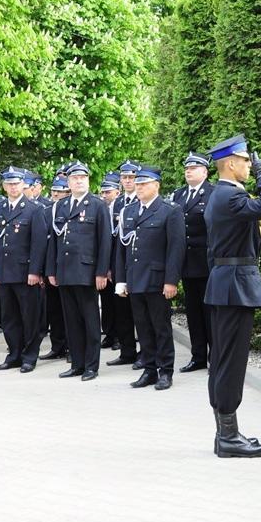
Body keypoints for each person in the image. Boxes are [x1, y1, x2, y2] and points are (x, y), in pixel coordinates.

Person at [204, 134, 261, 459]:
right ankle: (228, 436)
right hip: (235, 286)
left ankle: (226, 433)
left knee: (223, 359)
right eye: (247, 161)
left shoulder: (221, 195)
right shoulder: (230, 196)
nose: (250, 165)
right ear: (231, 163)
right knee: (231, 362)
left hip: (227, 283)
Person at [114, 166, 185, 390]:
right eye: (138, 184)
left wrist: (171, 280)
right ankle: (149, 369)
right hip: (135, 278)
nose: (139, 187)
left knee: (160, 328)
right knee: (143, 327)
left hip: (157, 279)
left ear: (157, 185)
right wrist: (121, 279)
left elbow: (176, 249)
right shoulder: (130, 210)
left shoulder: (169, 210)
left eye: (144, 184)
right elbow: (122, 248)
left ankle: (165, 371)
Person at [47, 161, 112, 381]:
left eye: (83, 178)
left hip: (87, 272)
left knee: (90, 321)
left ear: (88, 180)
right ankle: (77, 364)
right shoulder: (61, 206)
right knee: (72, 321)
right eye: (75, 178)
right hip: (65, 271)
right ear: (68, 182)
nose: (79, 181)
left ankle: (91, 366)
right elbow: (54, 241)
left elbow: (105, 242)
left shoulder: (97, 205)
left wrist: (101, 272)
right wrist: (52, 270)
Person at [0, 168, 48, 373]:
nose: (13, 187)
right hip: (4, 271)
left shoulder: (34, 209)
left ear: (23, 185)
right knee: (9, 318)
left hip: (25, 273)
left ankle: (29, 356)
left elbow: (39, 243)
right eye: (9, 184)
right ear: (4, 186)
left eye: (16, 183)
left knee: (29, 317)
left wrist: (35, 271)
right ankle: (14, 355)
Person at [172, 152, 214, 373]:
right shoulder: (178, 195)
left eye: (194, 168)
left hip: (207, 263)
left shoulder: (213, 193)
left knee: (209, 313)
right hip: (187, 264)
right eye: (187, 168)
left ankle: (215, 356)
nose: (188, 171)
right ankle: (198, 356)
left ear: (205, 172)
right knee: (193, 313)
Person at [106, 160, 140, 368]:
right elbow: (112, 238)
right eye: (124, 177)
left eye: (131, 177)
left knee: (140, 312)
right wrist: (110, 267)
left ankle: (146, 353)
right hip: (120, 264)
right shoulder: (117, 204)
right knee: (122, 311)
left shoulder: (142, 200)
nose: (128, 181)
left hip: (138, 264)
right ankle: (127, 352)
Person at [38, 177, 70, 361]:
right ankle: (58, 346)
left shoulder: (70, 209)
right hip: (51, 267)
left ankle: (72, 348)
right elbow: (43, 243)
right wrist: (44, 270)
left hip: (68, 268)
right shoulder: (46, 211)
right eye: (54, 190)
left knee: (70, 312)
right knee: (54, 310)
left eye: (61, 191)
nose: (56, 194)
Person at [98, 173, 121, 351]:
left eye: (108, 192)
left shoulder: (120, 208)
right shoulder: (101, 209)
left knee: (118, 302)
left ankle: (119, 336)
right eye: (103, 192)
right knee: (106, 301)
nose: (105, 195)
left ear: (117, 192)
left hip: (116, 261)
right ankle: (109, 333)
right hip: (103, 262)